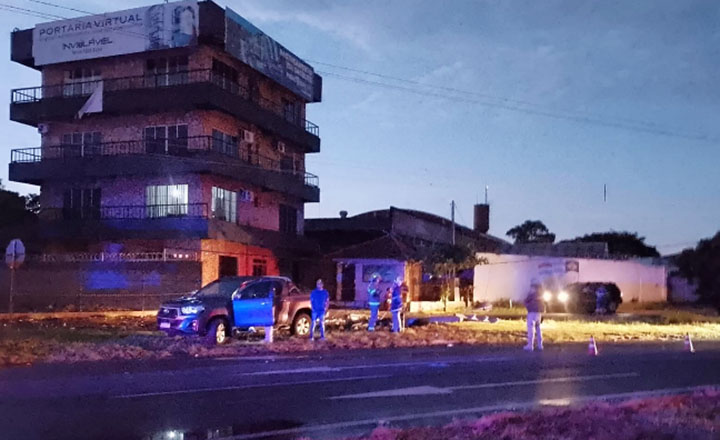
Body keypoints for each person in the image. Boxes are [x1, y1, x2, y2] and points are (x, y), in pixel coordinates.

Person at [523, 279, 543, 351]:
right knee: (538, 329)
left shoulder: (532, 294)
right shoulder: (541, 294)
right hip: (538, 313)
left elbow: (525, 301)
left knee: (531, 329)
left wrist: (526, 305)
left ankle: (530, 345)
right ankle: (540, 345)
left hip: (532, 313)